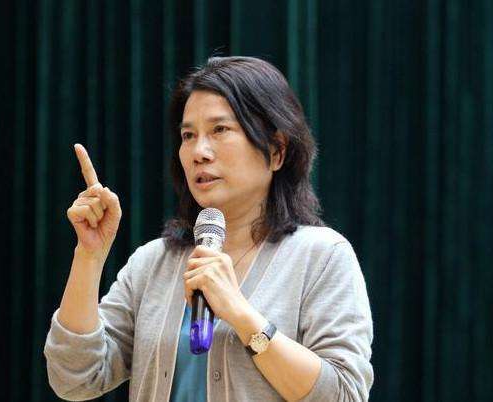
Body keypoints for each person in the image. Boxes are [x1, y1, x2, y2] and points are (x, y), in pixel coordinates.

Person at [44, 56, 373, 401]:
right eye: (188, 135)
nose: (199, 152)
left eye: (220, 130)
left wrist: (240, 314)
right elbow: (75, 378)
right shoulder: (154, 263)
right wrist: (89, 256)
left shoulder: (321, 257)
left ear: (276, 150)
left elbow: (344, 393)